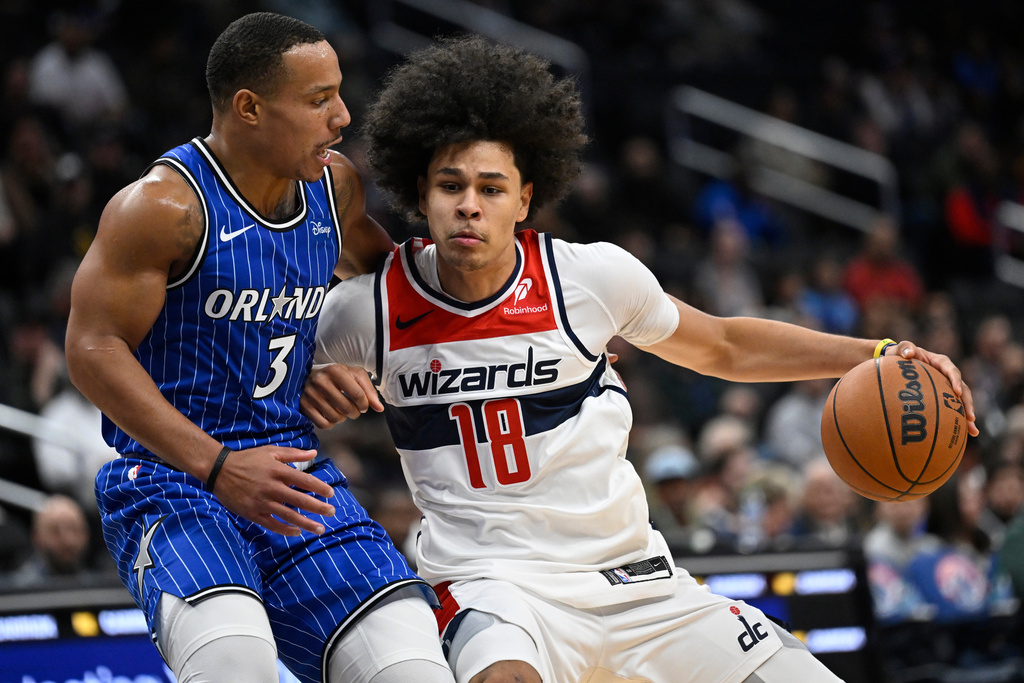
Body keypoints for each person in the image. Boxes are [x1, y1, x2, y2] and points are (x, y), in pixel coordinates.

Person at [304, 35, 978, 683]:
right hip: (493, 588)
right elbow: (259, 369)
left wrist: (877, 351)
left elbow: (724, 344)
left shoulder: (587, 279)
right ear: (421, 193)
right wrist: (309, 371)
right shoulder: (371, 310)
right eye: (451, 186)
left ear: (525, 198)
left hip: (638, 582)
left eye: (492, 188)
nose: (470, 206)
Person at [64, 13, 452, 683]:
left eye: (338, 94)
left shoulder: (333, 186)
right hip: (174, 480)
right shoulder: (162, 207)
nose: (342, 116)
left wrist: (325, 358)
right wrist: (218, 466)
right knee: (234, 660)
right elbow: (92, 348)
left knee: (412, 667)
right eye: (319, 99)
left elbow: (393, 291)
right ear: (249, 107)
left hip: (293, 474)